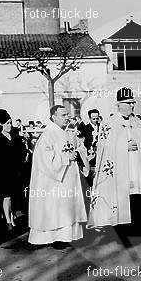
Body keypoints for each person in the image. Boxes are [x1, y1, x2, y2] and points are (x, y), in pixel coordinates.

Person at [88, 87, 141, 236]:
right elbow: (104, 148)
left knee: (137, 196)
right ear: (119, 104)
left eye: (133, 102)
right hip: (119, 170)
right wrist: (125, 145)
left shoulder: (137, 121)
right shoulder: (109, 123)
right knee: (121, 197)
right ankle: (121, 229)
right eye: (129, 103)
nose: (132, 105)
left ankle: (139, 227)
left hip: (137, 168)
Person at [28, 105, 89, 247]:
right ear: (53, 117)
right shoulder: (47, 135)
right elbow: (45, 160)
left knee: (67, 208)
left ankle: (67, 237)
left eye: (67, 114)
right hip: (54, 181)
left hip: (69, 178)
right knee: (56, 210)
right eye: (63, 115)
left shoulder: (67, 133)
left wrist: (78, 153)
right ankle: (55, 238)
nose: (67, 117)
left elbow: (79, 147)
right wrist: (66, 157)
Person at [0, 109, 27, 232]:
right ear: (1, 124)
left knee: (12, 197)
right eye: (7, 123)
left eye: (10, 123)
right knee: (6, 196)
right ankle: (8, 221)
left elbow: (21, 150)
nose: (9, 125)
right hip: (2, 172)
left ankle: (12, 218)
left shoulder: (14, 135)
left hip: (15, 171)